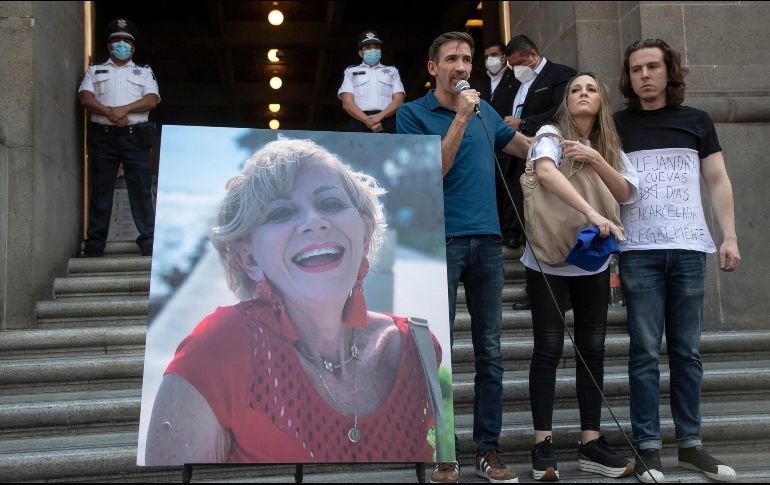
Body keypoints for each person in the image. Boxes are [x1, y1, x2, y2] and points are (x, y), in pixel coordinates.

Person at [144, 138, 446, 465]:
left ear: (365, 231)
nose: (314, 221)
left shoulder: (417, 346)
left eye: (330, 203)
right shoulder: (215, 351)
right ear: (249, 259)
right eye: (282, 211)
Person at [397, 31, 530, 484]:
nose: (461, 66)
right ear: (432, 67)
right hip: (438, 244)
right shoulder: (412, 115)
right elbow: (433, 170)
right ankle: (444, 451)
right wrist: (460, 117)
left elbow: (522, 148)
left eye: (467, 59)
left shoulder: (483, 110)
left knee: (489, 352)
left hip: (488, 243)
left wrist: (563, 151)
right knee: (439, 353)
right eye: (451, 59)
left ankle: (487, 450)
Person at [615, 38, 741, 483]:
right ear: (628, 78)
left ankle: (691, 444)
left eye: (652, 67)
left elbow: (718, 179)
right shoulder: (618, 125)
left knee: (687, 352)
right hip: (637, 253)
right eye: (636, 70)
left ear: (669, 71)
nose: (644, 75)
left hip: (689, 249)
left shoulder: (697, 121)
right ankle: (648, 448)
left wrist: (730, 236)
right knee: (644, 352)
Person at [521, 72, 639, 481]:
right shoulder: (551, 133)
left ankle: (591, 442)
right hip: (547, 260)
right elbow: (547, 173)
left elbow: (625, 193)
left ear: (602, 100)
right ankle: (542, 445)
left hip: (592, 260)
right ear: (565, 101)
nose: (583, 94)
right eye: (575, 89)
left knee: (593, 348)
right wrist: (591, 213)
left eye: (591, 88)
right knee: (548, 348)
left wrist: (596, 159)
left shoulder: (609, 145)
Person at [78, 18, 159, 257]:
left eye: (126, 41)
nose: (121, 44)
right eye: (116, 40)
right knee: (101, 190)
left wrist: (122, 110)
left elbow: (151, 100)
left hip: (135, 137)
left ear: (133, 48)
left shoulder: (144, 72)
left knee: (140, 189)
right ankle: (95, 243)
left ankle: (148, 240)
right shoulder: (95, 70)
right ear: (108, 45)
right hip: (103, 137)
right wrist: (110, 113)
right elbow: (85, 97)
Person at [504, 35, 576, 254]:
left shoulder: (560, 74)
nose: (515, 69)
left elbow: (562, 110)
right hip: (518, 156)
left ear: (533, 55)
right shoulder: (517, 84)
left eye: (517, 63)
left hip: (547, 155)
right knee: (523, 209)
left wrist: (524, 123)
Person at [474, 41, 519, 252]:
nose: (490, 59)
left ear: (503, 57)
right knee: (489, 185)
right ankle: (497, 228)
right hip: (484, 141)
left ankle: (511, 232)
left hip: (506, 139)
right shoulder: (478, 83)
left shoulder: (515, 79)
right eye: (487, 55)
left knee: (508, 186)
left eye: (494, 54)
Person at [338, 31, 405, 134]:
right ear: (360, 53)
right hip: (358, 121)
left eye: (376, 47)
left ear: (380, 51)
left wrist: (379, 117)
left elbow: (399, 100)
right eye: (368, 47)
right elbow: (347, 103)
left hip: (387, 121)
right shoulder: (350, 72)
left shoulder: (392, 71)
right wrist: (367, 120)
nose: (373, 50)